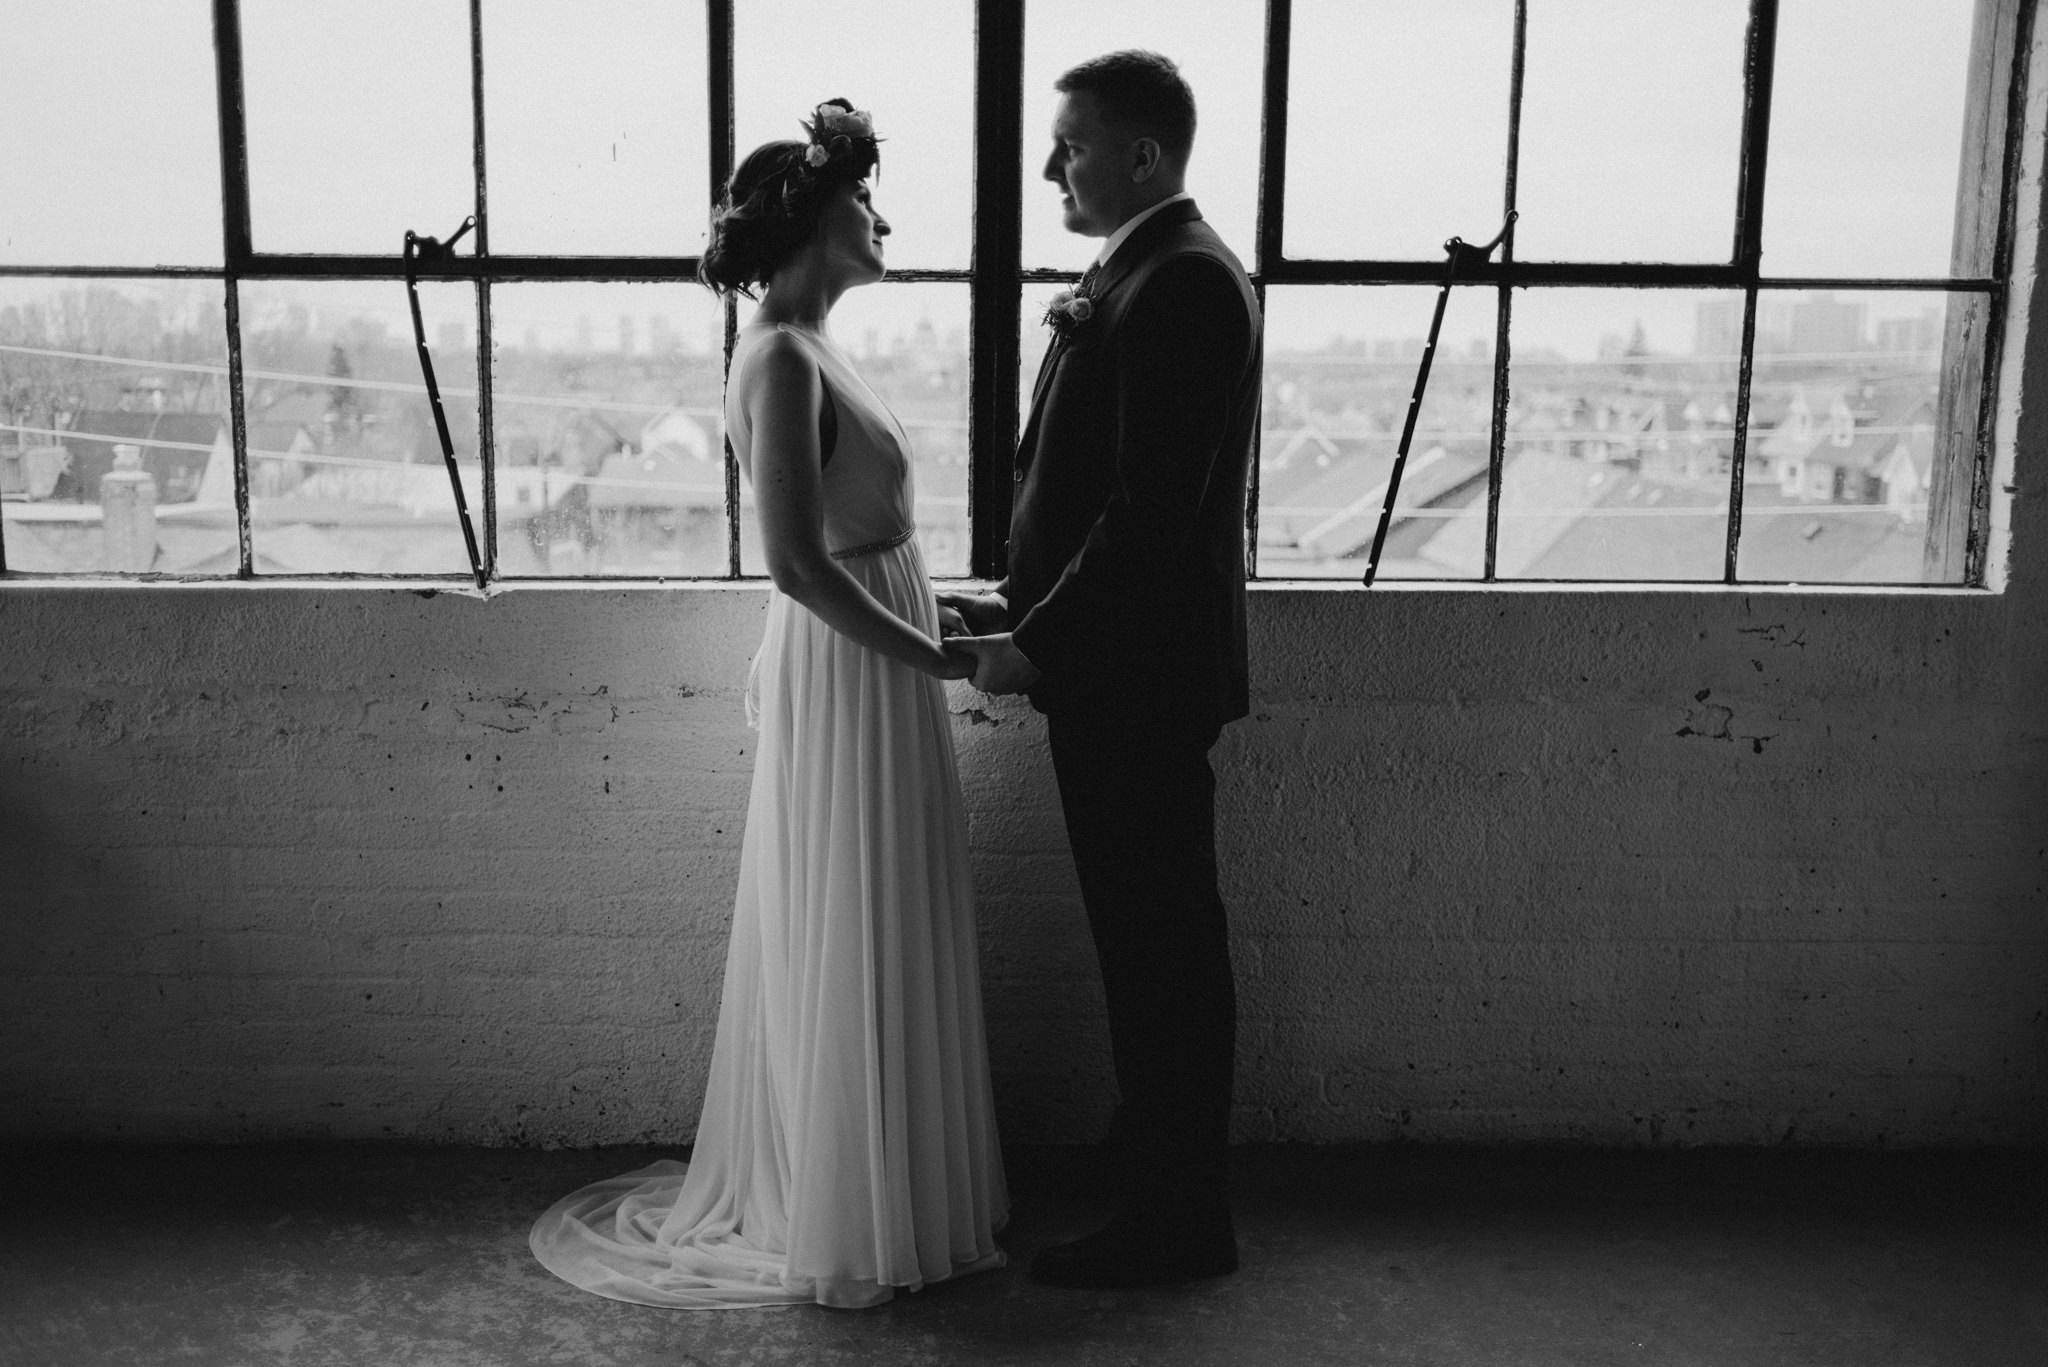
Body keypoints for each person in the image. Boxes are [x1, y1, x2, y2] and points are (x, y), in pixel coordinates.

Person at [530, 100, 1008, 1310]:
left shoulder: (816, 345)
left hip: (879, 649)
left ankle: (888, 1180)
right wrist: (935, 659)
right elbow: (794, 563)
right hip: (851, 670)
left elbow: (862, 529)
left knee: (887, 891)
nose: (883, 217)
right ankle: (850, 1204)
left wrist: (934, 603)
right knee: (855, 901)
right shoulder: (780, 356)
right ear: (812, 216)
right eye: (866, 201)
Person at [944, 51, 1259, 1290]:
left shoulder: (1180, 280)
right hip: (1121, 671)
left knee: (1162, 949)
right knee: (1145, 943)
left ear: (1141, 154)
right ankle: (1156, 1172)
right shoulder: (1146, 267)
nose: (1046, 167)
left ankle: (1182, 1220)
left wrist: (1037, 643)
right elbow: (1086, 492)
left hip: (1135, 681)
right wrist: (1013, 595)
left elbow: (1147, 514)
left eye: (1067, 144)